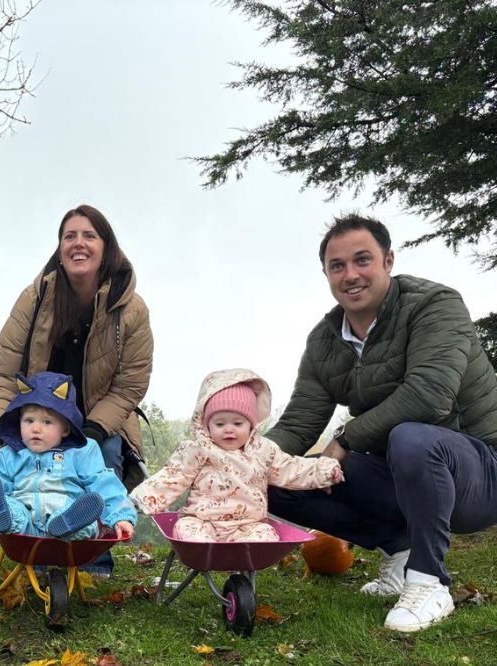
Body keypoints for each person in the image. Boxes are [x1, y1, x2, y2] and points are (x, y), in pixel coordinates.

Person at [265, 214, 497, 632]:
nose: (350, 275)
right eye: (338, 266)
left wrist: (346, 437)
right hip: (402, 470)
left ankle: (429, 582)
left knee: (412, 438)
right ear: (326, 274)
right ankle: (399, 548)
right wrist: (241, 458)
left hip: (480, 471)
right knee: (278, 480)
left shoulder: (435, 305)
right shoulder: (325, 340)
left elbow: (430, 394)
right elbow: (299, 421)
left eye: (362, 260)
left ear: (388, 260)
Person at [0, 204, 153, 575]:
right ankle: (23, 537)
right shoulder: (36, 298)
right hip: (37, 412)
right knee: (12, 461)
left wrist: (91, 432)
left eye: (89, 235)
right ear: (59, 246)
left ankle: (92, 558)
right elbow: (3, 372)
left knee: (102, 456)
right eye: (69, 236)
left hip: (98, 417)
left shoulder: (130, 309)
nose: (78, 244)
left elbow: (130, 384)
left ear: (107, 246)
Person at [130, 369, 342, 542]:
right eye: (220, 423)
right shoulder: (199, 449)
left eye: (238, 423)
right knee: (187, 530)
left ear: (251, 424)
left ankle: (240, 564)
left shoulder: (263, 451)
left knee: (266, 536)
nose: (229, 429)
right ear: (206, 425)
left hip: (247, 525)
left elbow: (291, 468)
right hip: (202, 521)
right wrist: (140, 500)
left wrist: (325, 470)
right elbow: (173, 476)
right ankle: (206, 549)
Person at [0, 372, 135, 542]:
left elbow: (104, 483)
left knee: (84, 518)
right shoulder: (10, 454)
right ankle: (2, 518)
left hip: (66, 518)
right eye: (29, 420)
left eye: (47, 422)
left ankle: (68, 522)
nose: (36, 428)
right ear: (19, 422)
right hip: (23, 525)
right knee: (10, 508)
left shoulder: (80, 451)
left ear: (65, 429)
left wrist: (121, 517)